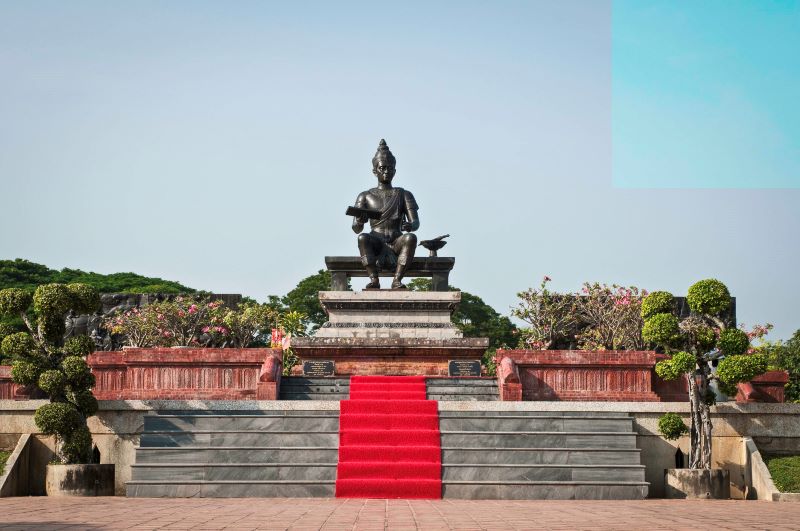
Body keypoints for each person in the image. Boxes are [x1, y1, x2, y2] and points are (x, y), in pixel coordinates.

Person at [351, 139, 419, 289]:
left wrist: (410, 225)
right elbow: (356, 228)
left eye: (390, 168)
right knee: (362, 238)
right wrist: (360, 221)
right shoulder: (365, 196)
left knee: (410, 238)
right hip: (375, 240)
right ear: (375, 171)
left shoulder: (404, 194)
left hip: (396, 240)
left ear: (394, 170)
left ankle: (397, 279)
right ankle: (374, 279)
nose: (386, 171)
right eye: (382, 168)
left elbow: (415, 223)